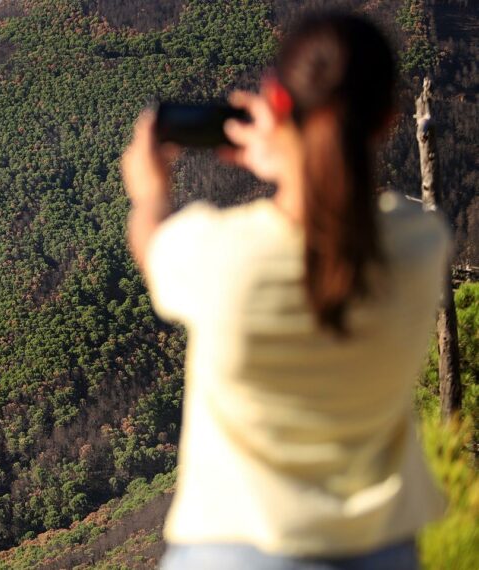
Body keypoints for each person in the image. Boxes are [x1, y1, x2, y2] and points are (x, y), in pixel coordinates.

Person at [120, 12, 451, 570]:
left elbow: (151, 242)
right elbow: (336, 213)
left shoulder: (223, 257)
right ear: (390, 120)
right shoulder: (420, 244)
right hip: (382, 551)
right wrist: (294, 154)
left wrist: (150, 191)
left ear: (277, 102)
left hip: (235, 552)